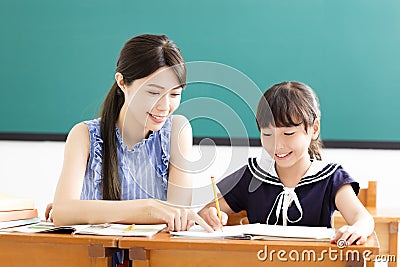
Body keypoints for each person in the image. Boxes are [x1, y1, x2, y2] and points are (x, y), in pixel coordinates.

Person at [48, 34, 212, 233]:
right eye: (153, 92)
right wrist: (147, 209)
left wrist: (87, 211)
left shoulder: (177, 131)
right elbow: (63, 211)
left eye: (175, 94)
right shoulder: (84, 135)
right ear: (122, 82)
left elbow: (177, 214)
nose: (165, 106)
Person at [199, 81, 374, 245]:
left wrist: (358, 228)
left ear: (314, 129)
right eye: (267, 134)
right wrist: (211, 214)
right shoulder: (252, 175)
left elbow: (363, 218)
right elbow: (207, 212)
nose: (277, 145)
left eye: (288, 134)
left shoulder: (331, 178)